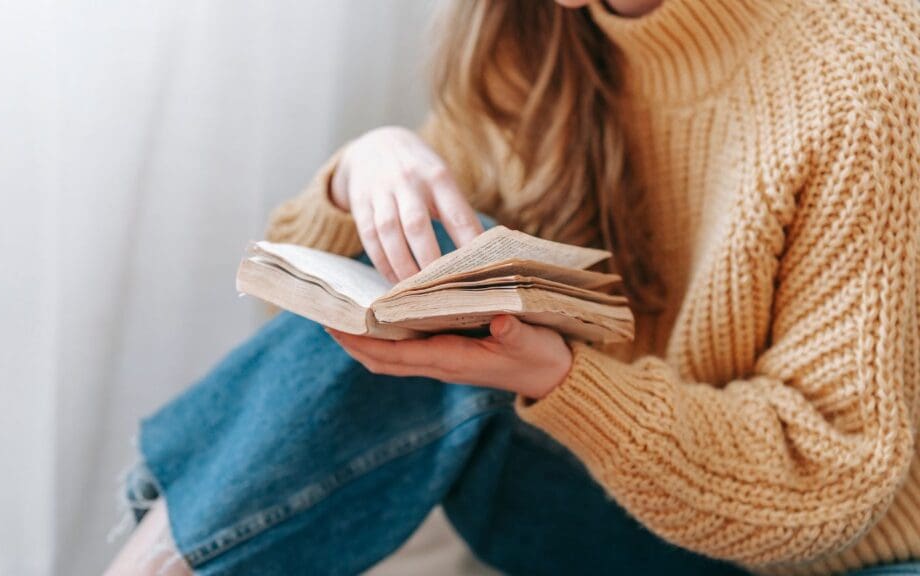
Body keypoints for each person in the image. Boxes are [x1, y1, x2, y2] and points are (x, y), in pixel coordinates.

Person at [105, 0, 920, 574]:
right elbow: (300, 309)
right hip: (632, 509)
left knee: (451, 362)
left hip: (827, 555)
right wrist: (361, 171)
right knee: (407, 297)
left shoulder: (863, 73)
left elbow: (827, 480)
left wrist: (558, 379)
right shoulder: (539, 39)